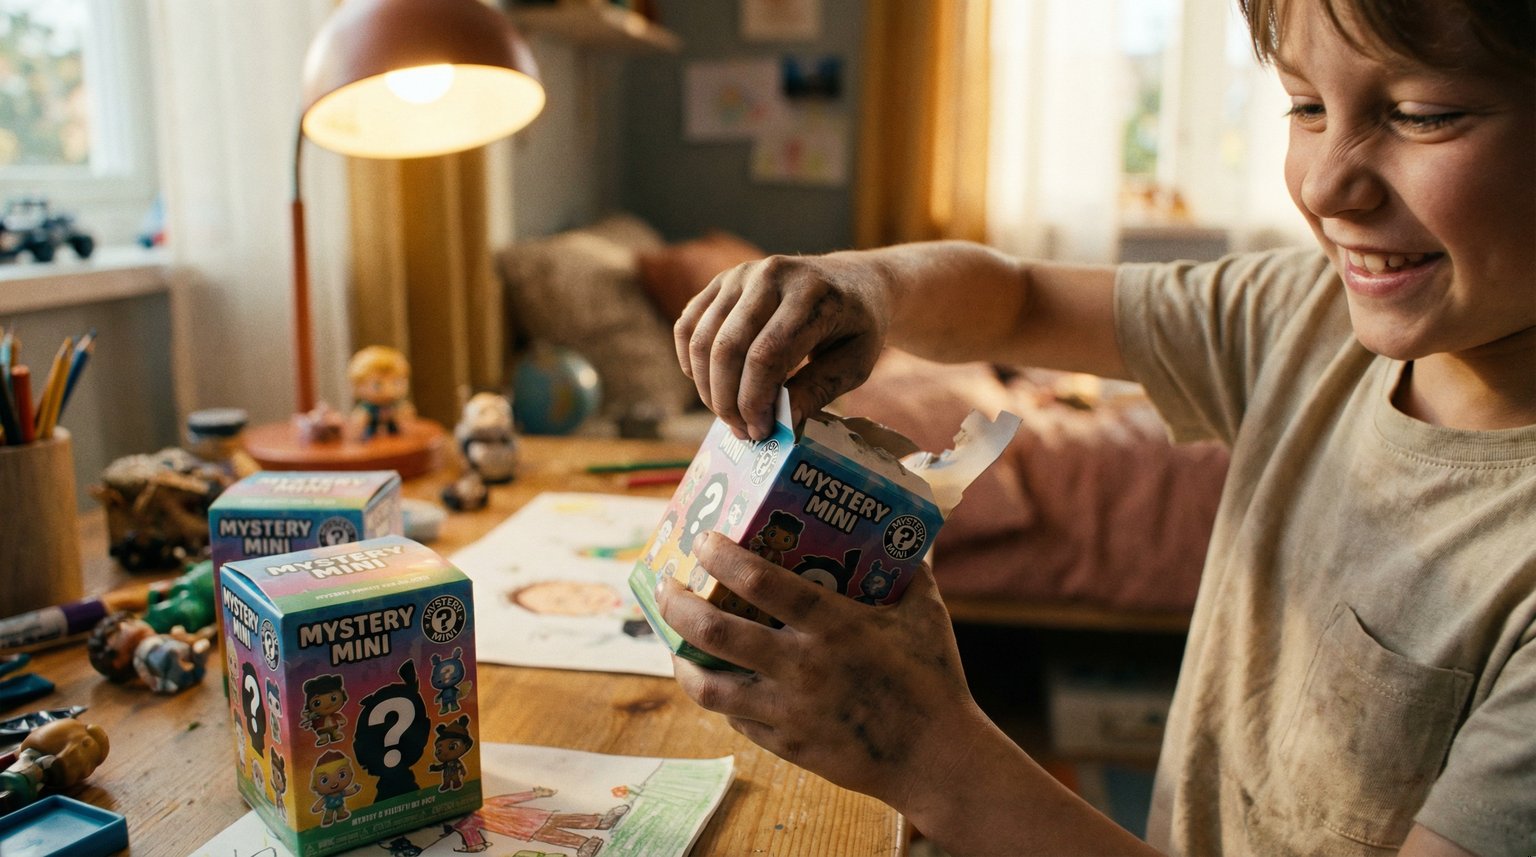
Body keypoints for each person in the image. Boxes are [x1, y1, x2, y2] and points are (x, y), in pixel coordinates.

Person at [653, 0, 1535, 854]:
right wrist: (865, 285)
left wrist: (927, 752)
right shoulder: (1303, 314)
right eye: (1306, 106)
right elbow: (1021, 296)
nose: (1324, 184)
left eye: (1423, 115)